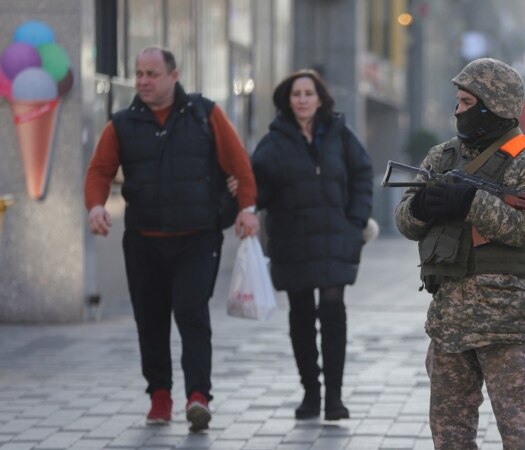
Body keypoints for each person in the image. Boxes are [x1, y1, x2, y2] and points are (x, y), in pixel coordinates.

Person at [84, 47, 260, 432]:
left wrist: (247, 208)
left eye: (151, 73)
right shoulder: (121, 124)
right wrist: (96, 206)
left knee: (191, 313)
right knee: (150, 320)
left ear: (173, 75)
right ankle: (159, 396)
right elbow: (99, 170)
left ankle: (198, 396)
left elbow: (238, 164)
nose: (143, 81)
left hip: (198, 238)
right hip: (144, 239)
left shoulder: (204, 113)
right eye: (139, 73)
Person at [395, 58, 525, 449]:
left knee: (522, 435)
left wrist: (471, 201)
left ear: (493, 106)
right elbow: (404, 219)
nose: (457, 111)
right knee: (449, 435)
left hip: (508, 321)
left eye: (467, 102)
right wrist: (422, 207)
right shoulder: (442, 157)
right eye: (458, 101)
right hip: (449, 319)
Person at [250, 69, 373, 421]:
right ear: (286, 101)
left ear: (320, 98)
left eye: (308, 93)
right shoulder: (273, 142)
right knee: (301, 316)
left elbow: (363, 173)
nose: (302, 99)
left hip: (336, 238)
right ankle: (311, 393)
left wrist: (356, 222)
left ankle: (334, 397)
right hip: (292, 241)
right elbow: (257, 188)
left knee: (333, 314)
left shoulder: (339, 134)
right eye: (295, 94)